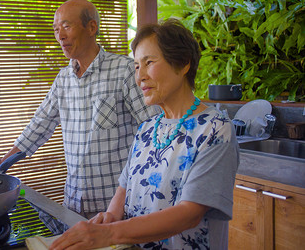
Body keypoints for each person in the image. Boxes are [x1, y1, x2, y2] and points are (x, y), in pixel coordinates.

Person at [50, 19, 240, 250]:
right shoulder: (147, 128)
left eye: (149, 62)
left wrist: (109, 234)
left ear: (182, 64)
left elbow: (189, 213)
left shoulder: (215, 128)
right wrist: (108, 218)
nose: (139, 76)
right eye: (137, 66)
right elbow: (124, 187)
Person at [0, 0, 158, 222]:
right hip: (74, 203)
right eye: (56, 29)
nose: (60, 36)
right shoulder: (63, 79)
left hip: (116, 207)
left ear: (92, 27)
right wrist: (3, 162)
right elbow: (39, 124)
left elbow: (154, 131)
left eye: (66, 26)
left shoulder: (123, 71)